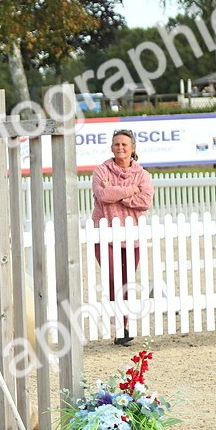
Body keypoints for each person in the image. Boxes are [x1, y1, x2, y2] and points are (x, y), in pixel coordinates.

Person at [91, 128, 154, 346]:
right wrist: (130, 190)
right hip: (105, 235)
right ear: (111, 147)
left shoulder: (142, 175)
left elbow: (145, 201)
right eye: (116, 144)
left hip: (132, 237)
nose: (120, 148)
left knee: (127, 281)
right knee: (112, 278)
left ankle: (124, 327)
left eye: (124, 144)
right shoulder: (101, 171)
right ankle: (118, 322)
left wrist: (118, 193)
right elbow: (103, 195)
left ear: (133, 148)